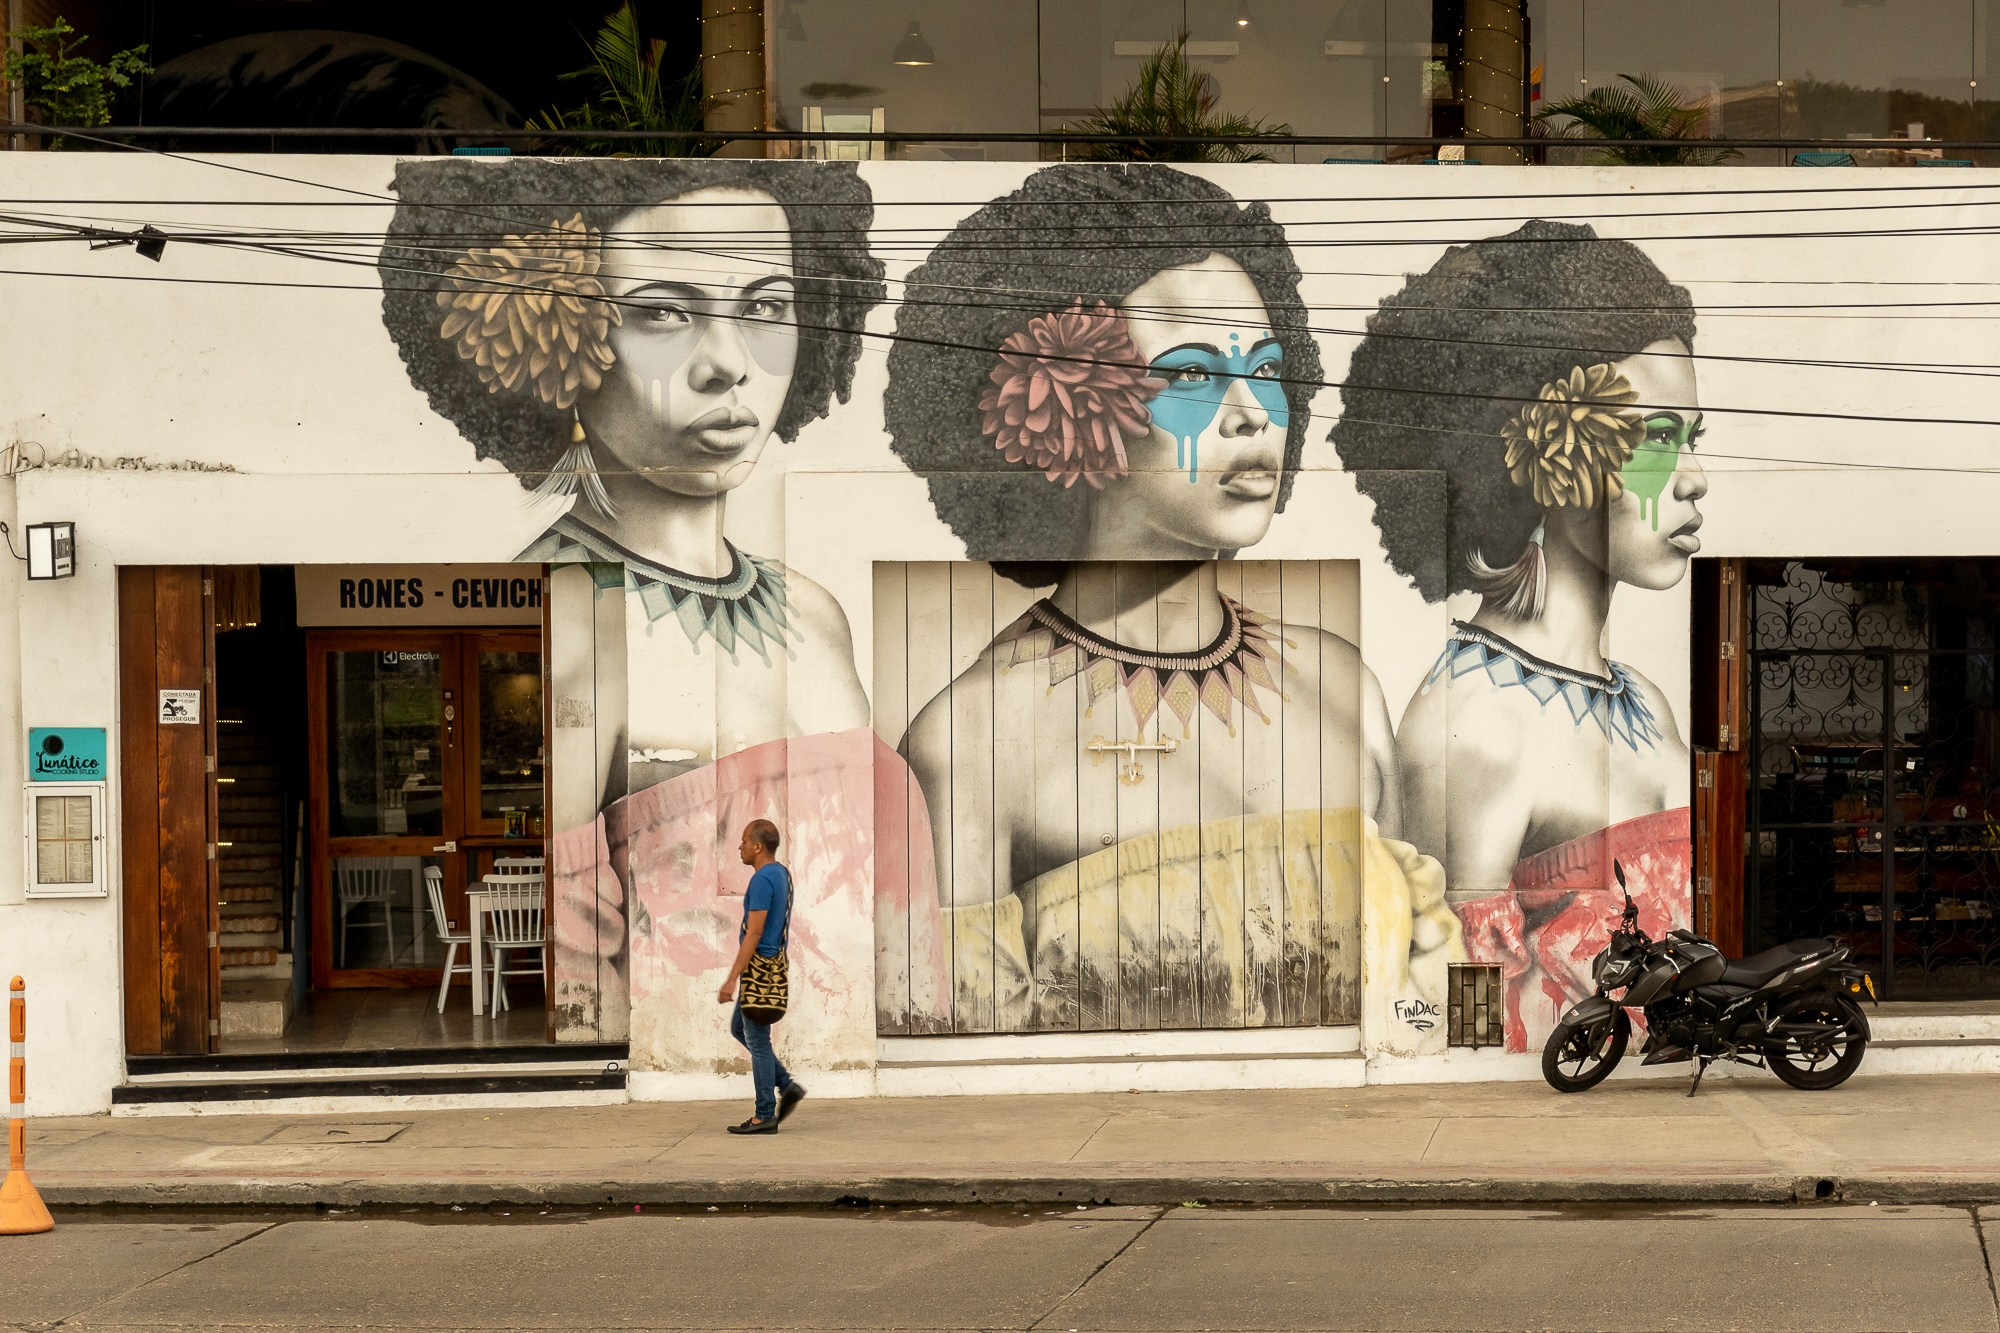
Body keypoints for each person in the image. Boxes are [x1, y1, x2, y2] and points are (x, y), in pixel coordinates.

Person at [880, 164, 1461, 1039]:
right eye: (1192, 376)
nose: (1251, 413)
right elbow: (955, 1044)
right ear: (1073, 409)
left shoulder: (1346, 685)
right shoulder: (968, 736)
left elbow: (1425, 994)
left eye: (1266, 370)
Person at [381, 158, 887, 1044]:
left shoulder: (816, 613)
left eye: (766, 307)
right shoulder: (571, 621)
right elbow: (583, 954)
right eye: (661, 310)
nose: (728, 366)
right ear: (559, 337)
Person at [1332, 219, 1710, 1051]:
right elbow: (1455, 989)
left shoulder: (1645, 701)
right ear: (1554, 456)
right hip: (1547, 1105)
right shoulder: (1470, 722)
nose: (1693, 478)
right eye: (1654, 440)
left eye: (1692, 439)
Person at [717, 819, 805, 1134]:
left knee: (757, 1039)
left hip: (759, 969)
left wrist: (731, 979)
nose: (739, 847)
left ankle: (764, 1113)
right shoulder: (781, 874)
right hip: (772, 964)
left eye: (743, 841)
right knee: (740, 1028)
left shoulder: (762, 880)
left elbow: (754, 933)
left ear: (757, 846)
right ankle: (786, 1085)